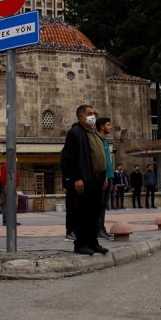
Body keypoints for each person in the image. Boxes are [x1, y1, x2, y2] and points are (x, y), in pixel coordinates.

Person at [62, 104, 108, 255]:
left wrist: (104, 176)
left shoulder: (92, 132)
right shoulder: (75, 133)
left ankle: (93, 242)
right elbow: (71, 158)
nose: (93, 116)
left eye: (93, 113)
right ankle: (80, 244)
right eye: (90, 113)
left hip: (96, 179)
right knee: (82, 213)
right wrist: (77, 178)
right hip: (84, 180)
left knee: (93, 213)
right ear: (81, 116)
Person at [95, 116, 114, 238]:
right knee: (99, 205)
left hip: (108, 177)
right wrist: (104, 177)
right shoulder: (97, 140)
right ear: (102, 126)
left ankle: (102, 227)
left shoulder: (105, 141)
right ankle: (98, 229)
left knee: (103, 206)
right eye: (108, 125)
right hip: (102, 178)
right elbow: (99, 161)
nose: (110, 127)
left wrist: (111, 177)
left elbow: (108, 161)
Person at [0, 161, 20, 227]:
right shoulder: (5, 166)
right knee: (7, 204)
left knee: (13, 204)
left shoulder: (11, 166)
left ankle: (11, 220)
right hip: (8, 187)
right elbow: (3, 178)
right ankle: (6, 220)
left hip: (12, 187)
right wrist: (6, 185)